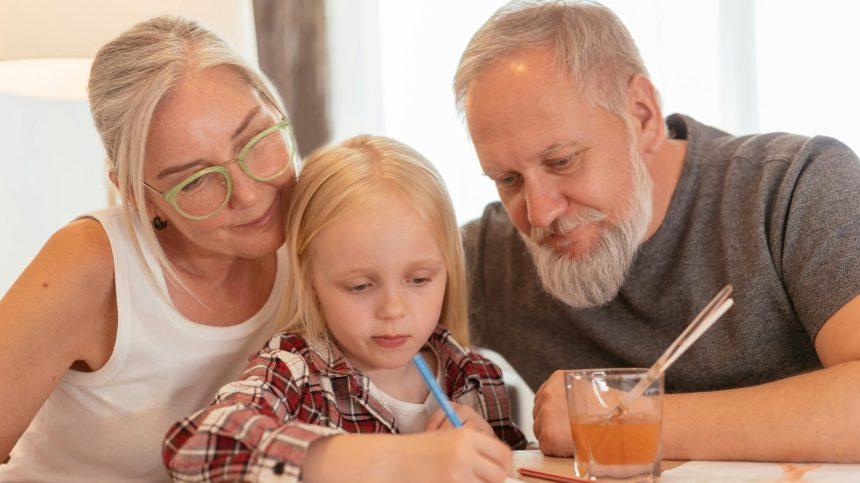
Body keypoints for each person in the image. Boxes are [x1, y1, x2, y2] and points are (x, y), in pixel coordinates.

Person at [454, 0, 860, 462]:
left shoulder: (795, 187)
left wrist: (617, 420)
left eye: (562, 161)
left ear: (643, 117)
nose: (540, 214)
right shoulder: (494, 255)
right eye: (508, 180)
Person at [0, 16, 299, 481]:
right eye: (196, 179)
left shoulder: (319, 232)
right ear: (137, 197)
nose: (251, 193)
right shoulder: (93, 264)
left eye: (256, 139)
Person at [163, 135, 526, 482]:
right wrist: (388, 462)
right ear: (311, 282)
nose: (393, 309)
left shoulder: (474, 376)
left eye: (419, 280)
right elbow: (200, 451)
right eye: (360, 286)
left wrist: (498, 457)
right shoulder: (293, 372)